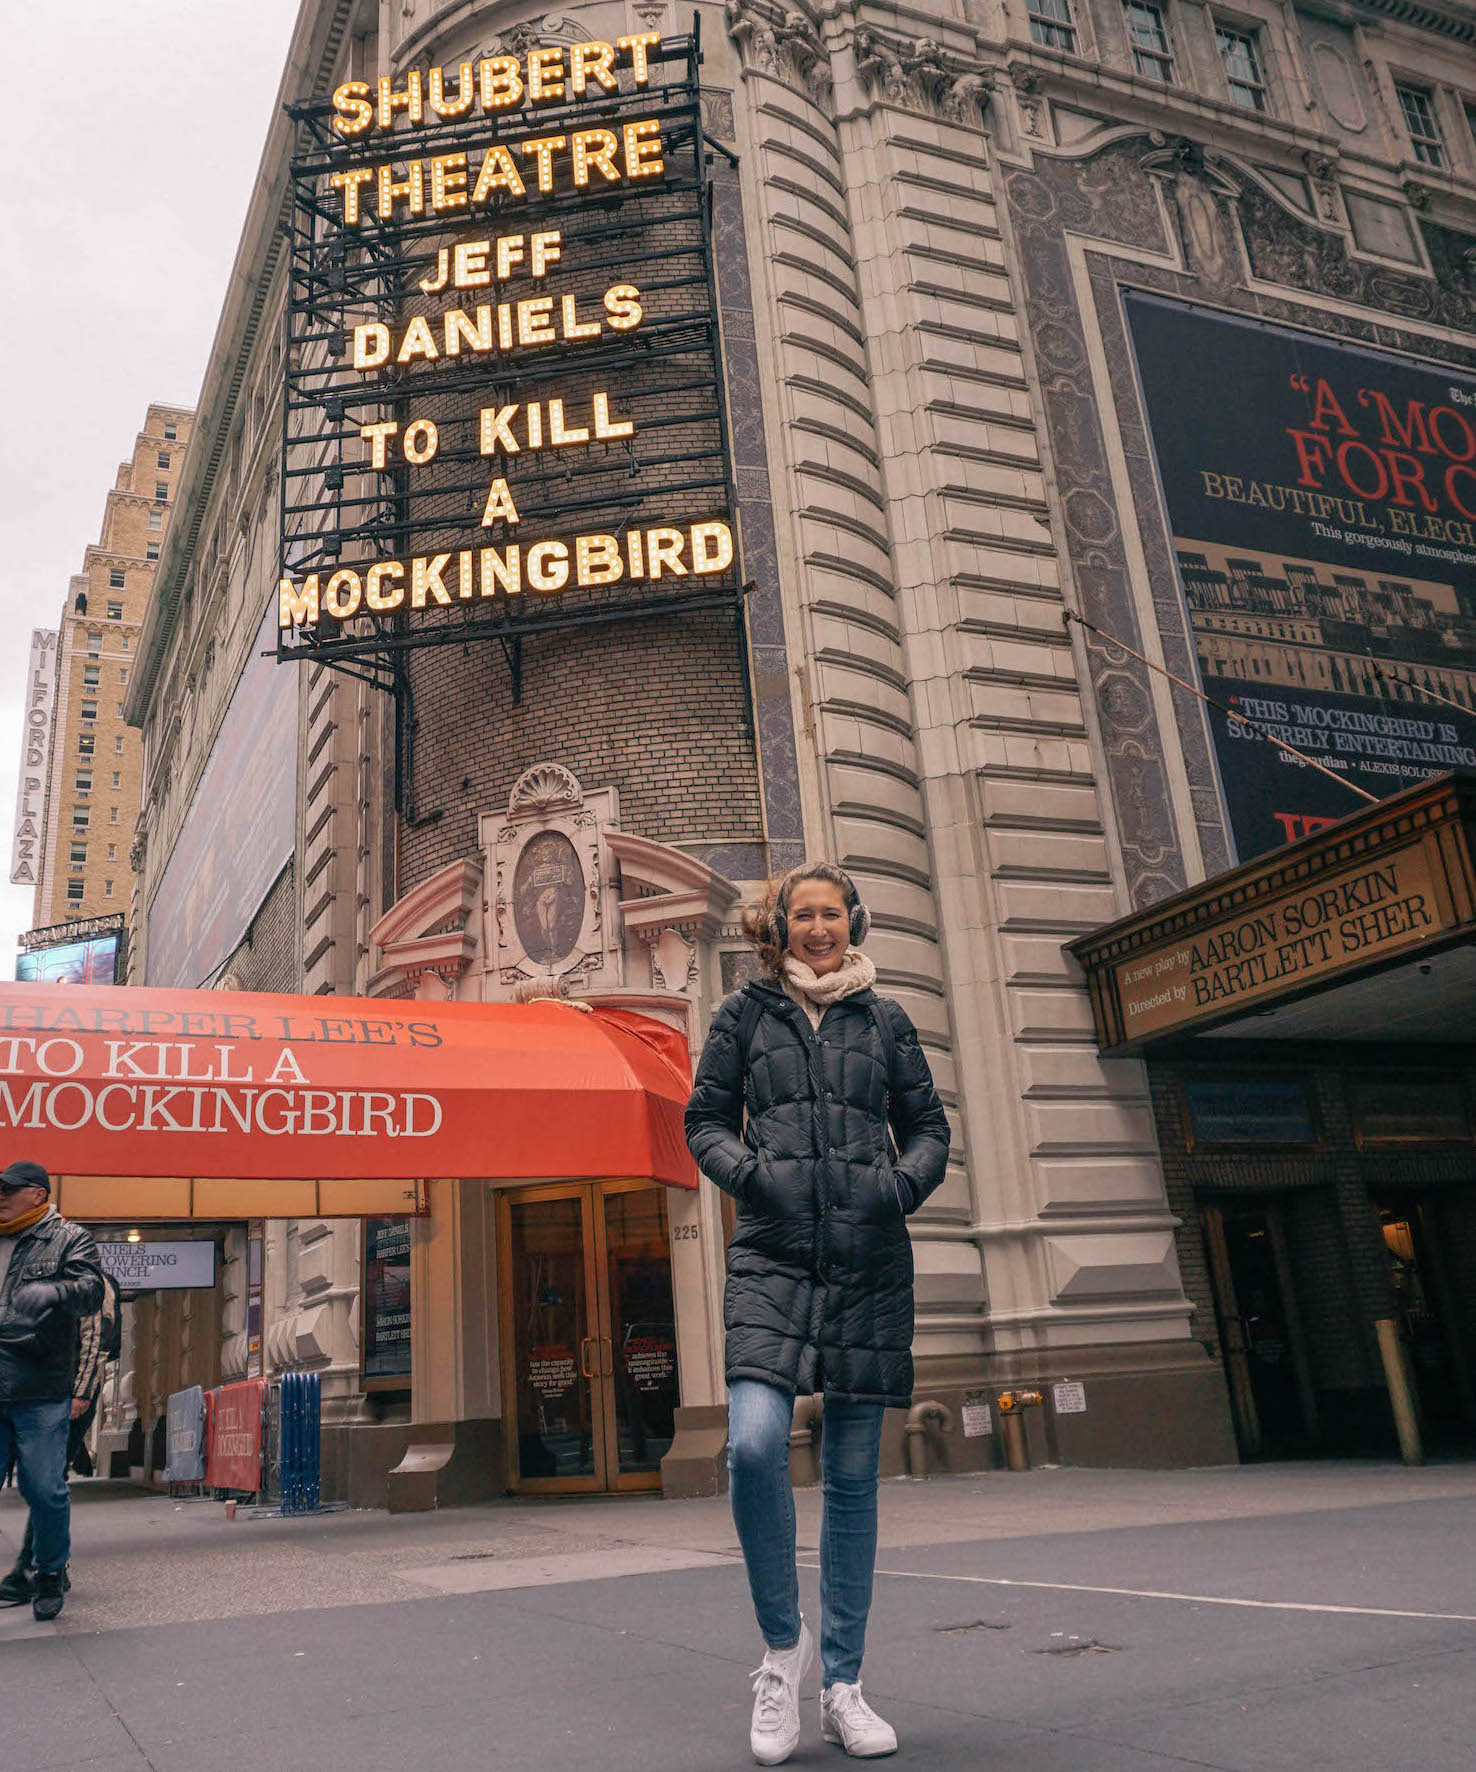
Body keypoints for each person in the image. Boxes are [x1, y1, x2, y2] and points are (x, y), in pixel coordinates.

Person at [686, 863, 950, 1763]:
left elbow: (929, 1132)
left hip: (867, 1260)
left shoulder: (886, 1021)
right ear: (780, 927)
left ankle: (843, 1684)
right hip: (771, 1255)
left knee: (851, 1482)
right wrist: (755, 1176)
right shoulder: (742, 1017)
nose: (818, 928)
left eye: (831, 914)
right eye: (803, 915)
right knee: (754, 1443)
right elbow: (705, 1122)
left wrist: (896, 1189)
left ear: (853, 921)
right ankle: (781, 1650)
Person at [0, 1161, 105, 1621]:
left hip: (40, 1386)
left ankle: (46, 1573)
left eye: (9, 1189)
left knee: (43, 1488)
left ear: (38, 1195)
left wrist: (54, 1292)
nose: (0, 1196)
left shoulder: (69, 1237)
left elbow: (91, 1292)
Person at [3, 1272, 120, 1597]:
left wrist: (81, 1393)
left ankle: (36, 1566)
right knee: (40, 1480)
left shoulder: (87, 1279)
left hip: (64, 1395)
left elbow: (97, 1337)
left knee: (47, 1482)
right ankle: (41, 1565)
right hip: (26, 1391)